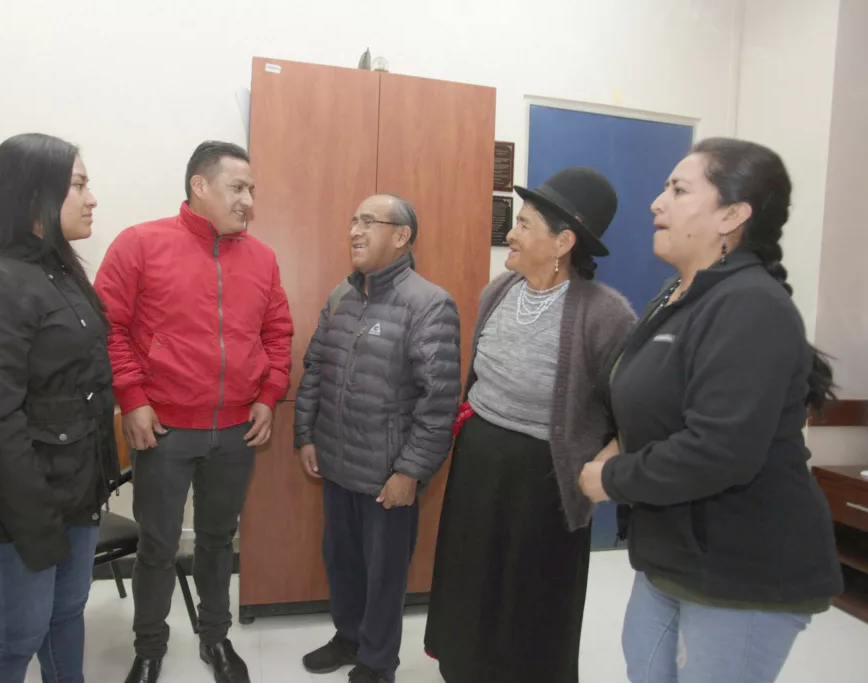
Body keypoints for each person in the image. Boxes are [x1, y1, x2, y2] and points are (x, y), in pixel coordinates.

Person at [579, 138, 844, 683]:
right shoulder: (677, 295)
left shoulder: (750, 305)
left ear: (732, 215)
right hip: (672, 554)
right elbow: (645, 399)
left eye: (679, 190)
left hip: (741, 567)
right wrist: (616, 441)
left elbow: (720, 452)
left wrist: (612, 477)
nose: (657, 202)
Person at [423, 168, 636, 682]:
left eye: (522, 225)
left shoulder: (606, 314)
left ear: (562, 242)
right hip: (478, 462)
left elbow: (631, 411)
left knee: (531, 594)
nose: (510, 235)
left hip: (546, 480)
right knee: (471, 577)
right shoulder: (499, 290)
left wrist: (603, 468)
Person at [94, 141, 294, 683]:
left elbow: (277, 334)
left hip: (235, 431)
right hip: (164, 428)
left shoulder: (262, 258)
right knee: (157, 544)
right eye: (238, 187)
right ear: (199, 187)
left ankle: (216, 639)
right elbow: (106, 328)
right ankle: (150, 647)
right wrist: (132, 399)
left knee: (216, 540)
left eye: (252, 189)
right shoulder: (139, 244)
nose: (249, 200)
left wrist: (268, 394)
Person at [0, 133, 117, 683]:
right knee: (19, 634)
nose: (91, 197)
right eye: (78, 184)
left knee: (66, 614)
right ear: (34, 197)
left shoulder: (56, 271)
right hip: (16, 502)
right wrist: (36, 524)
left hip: (73, 488)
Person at [294, 195, 461, 683]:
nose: (355, 231)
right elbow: (314, 372)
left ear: (402, 235)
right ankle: (349, 637)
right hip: (337, 462)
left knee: (384, 575)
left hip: (388, 475)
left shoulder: (429, 304)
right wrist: (306, 434)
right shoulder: (340, 297)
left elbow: (439, 402)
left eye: (369, 222)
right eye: (353, 221)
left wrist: (409, 472)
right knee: (341, 561)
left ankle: (376, 662)